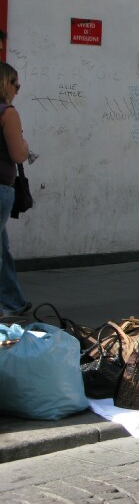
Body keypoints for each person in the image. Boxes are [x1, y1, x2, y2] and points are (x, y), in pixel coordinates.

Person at [0, 62, 31, 316]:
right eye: (14, 83)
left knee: (3, 247)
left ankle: (13, 301)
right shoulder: (8, 113)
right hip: (1, 187)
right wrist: (25, 145)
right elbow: (18, 154)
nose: (17, 89)